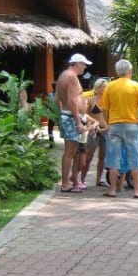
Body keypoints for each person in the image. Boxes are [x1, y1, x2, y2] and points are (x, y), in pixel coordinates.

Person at [100, 59, 138, 199]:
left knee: (113, 159)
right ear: (129, 70)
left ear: (117, 71)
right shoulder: (137, 86)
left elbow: (105, 108)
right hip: (132, 125)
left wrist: (108, 122)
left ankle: (112, 189)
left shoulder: (110, 86)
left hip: (114, 125)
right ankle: (137, 190)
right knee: (135, 158)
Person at [54, 53, 93, 193]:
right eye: (84, 65)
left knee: (71, 152)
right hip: (71, 118)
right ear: (77, 64)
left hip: (67, 116)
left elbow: (57, 99)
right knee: (70, 152)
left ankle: (69, 181)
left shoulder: (63, 76)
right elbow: (72, 101)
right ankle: (65, 183)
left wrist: (62, 114)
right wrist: (78, 122)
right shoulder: (71, 77)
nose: (85, 67)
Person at [80, 78, 109, 187]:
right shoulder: (91, 100)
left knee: (102, 157)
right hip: (94, 131)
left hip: (106, 131)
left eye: (106, 86)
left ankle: (98, 180)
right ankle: (82, 179)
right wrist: (90, 125)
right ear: (97, 87)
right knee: (88, 157)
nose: (105, 88)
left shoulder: (109, 100)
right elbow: (85, 115)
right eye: (103, 86)